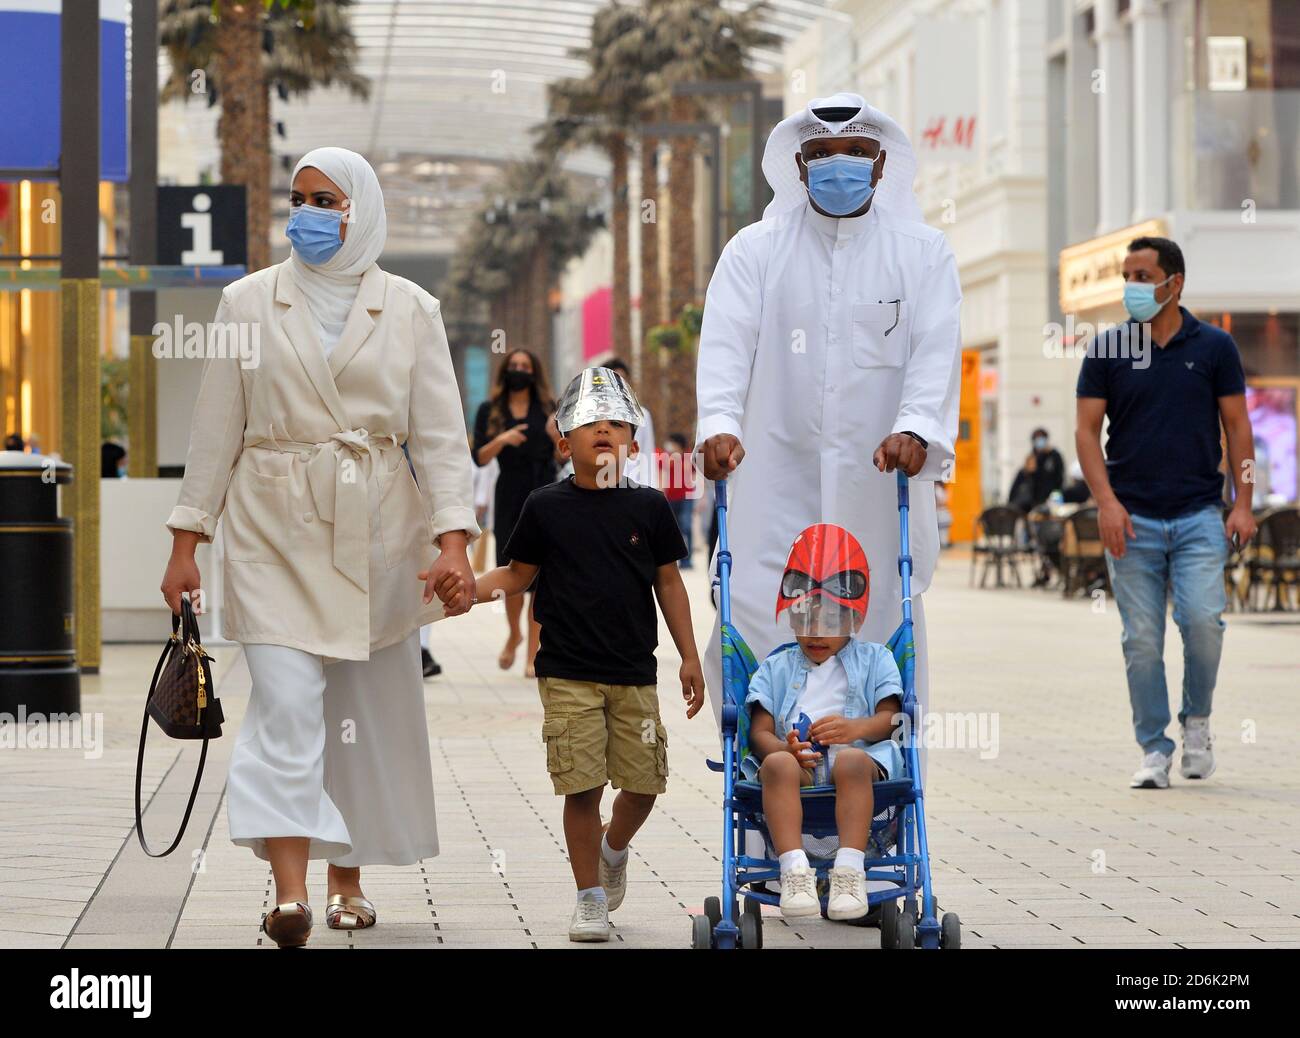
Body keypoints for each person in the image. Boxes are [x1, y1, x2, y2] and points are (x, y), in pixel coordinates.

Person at [160, 147, 479, 948]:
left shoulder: (410, 308)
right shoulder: (245, 302)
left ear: (360, 209)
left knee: (360, 714)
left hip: (379, 531)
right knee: (288, 706)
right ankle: (290, 893)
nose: (306, 212)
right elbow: (214, 429)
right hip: (271, 526)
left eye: (325, 199)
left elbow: (441, 437)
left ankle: (349, 882)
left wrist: (455, 543)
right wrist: (185, 541)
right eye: (297, 197)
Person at [695, 92, 960, 772]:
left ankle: (873, 817)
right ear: (797, 163)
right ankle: (764, 815)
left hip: (880, 489)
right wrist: (720, 426)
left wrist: (916, 428)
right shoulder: (753, 251)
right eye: (821, 156)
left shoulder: (923, 253)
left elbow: (935, 350)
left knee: (877, 624)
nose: (836, 167)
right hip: (770, 477)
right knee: (762, 612)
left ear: (880, 166)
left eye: (853, 155)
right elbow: (725, 346)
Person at [441, 367, 705, 942]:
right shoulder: (544, 506)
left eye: (616, 424)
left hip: (635, 672)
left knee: (644, 784)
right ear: (564, 442)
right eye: (590, 423)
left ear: (633, 442)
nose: (604, 431)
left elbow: (670, 584)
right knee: (580, 787)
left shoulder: (651, 508)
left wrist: (688, 655)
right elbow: (516, 573)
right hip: (566, 674)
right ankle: (589, 897)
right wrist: (468, 588)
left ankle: (613, 849)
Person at [1076, 235, 1256, 790]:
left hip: (1201, 513)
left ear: (1173, 283)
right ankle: (1155, 747)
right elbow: (1085, 431)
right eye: (1126, 275)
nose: (1131, 285)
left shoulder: (1216, 347)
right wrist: (1105, 502)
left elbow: (1239, 429)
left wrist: (1244, 503)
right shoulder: (1107, 349)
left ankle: (1196, 722)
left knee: (1203, 622)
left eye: (1141, 275)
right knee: (1141, 640)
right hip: (1131, 519)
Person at [743, 524, 903, 921]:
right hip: (799, 769)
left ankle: (849, 870)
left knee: (850, 760)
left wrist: (857, 730)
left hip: (859, 767)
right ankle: (794, 871)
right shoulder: (776, 667)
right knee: (776, 764)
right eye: (805, 620)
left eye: (830, 622)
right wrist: (784, 749)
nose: (815, 633)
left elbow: (891, 719)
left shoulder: (875, 660)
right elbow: (758, 731)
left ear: (854, 619)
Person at [472, 350, 562, 676]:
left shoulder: (550, 409)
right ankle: (514, 634)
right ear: (505, 372)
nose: (519, 371)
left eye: (525, 366)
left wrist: (556, 437)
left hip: (544, 491)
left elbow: (563, 457)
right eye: (514, 366)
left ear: (534, 372)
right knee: (512, 570)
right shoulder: (490, 410)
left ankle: (532, 653)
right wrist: (503, 439)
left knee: (541, 580)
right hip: (509, 494)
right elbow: (479, 457)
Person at [603, 357, 657, 487]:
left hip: (634, 488)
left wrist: (651, 489)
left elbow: (647, 454)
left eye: (622, 380)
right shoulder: (594, 417)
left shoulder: (642, 415)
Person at [656, 432, 698, 567]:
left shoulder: (689, 457)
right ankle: (673, 559)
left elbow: (695, 475)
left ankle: (687, 560)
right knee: (674, 528)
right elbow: (661, 474)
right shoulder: (666, 458)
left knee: (686, 525)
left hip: (686, 497)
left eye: (672, 443)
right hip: (671, 498)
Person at [1008, 428, 1064, 511]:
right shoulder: (1031, 457)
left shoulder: (1054, 456)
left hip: (1049, 500)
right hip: (1031, 502)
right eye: (1037, 438)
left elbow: (1058, 478)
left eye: (1042, 438)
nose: (1040, 441)